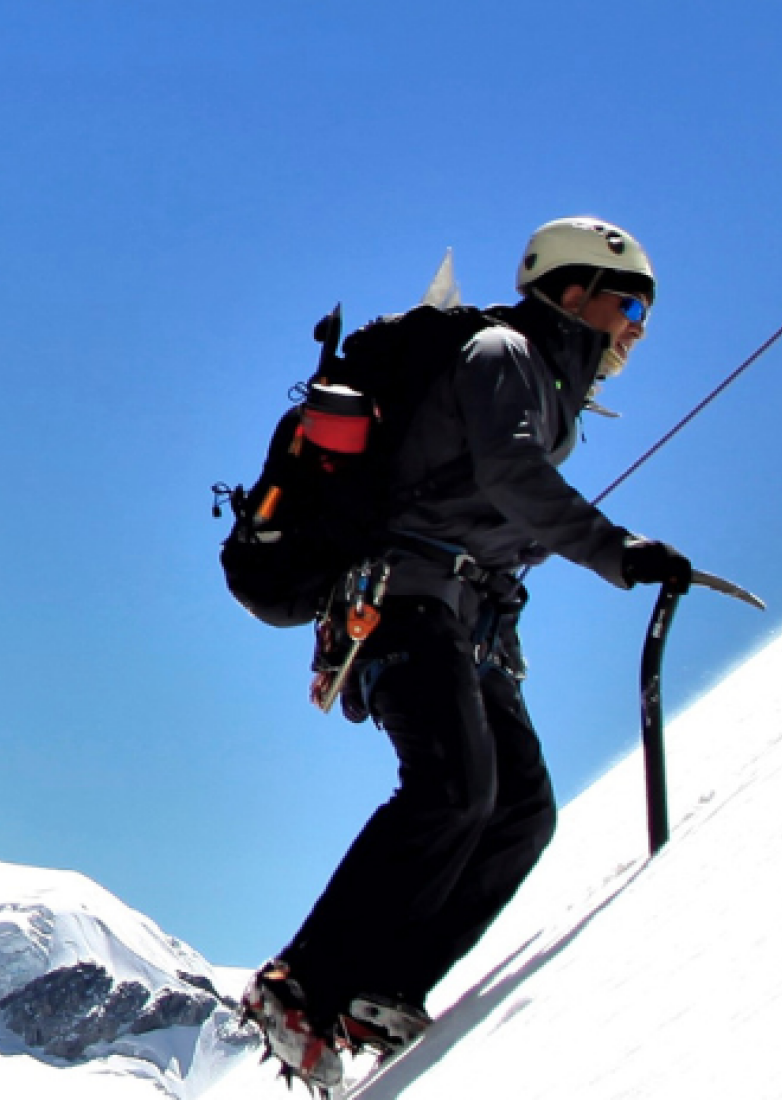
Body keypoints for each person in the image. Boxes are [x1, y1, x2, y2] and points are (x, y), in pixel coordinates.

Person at [241, 217, 702, 1094]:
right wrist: (618, 550)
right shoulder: (503, 352)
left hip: (465, 614)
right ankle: (303, 984)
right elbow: (511, 478)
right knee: (453, 789)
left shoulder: (547, 380)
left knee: (519, 810)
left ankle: (381, 987)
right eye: (631, 302)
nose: (639, 324)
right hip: (404, 596)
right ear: (572, 294)